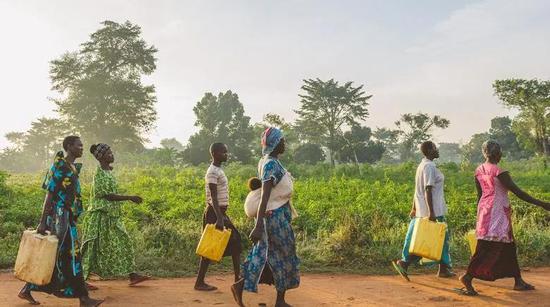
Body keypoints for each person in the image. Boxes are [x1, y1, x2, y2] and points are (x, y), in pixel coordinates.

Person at [18, 136, 103, 307]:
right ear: (69, 146)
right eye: (79, 145)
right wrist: (42, 222)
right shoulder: (60, 166)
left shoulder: (71, 167)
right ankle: (83, 298)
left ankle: (27, 289)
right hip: (59, 218)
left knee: (58, 256)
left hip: (66, 217)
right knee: (72, 256)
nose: (82, 148)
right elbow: (49, 194)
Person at [457, 140, 550, 296]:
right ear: (497, 153)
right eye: (500, 151)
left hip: (486, 211)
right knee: (488, 247)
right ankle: (468, 276)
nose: (501, 154)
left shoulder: (479, 170)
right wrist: (542, 204)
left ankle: (518, 281)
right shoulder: (500, 172)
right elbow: (518, 192)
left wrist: (480, 213)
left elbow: (479, 195)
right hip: (497, 213)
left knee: (507, 245)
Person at [232, 127, 300, 307]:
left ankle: (274, 298)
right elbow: (265, 195)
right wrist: (259, 225)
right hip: (273, 219)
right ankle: (277, 300)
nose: (284, 143)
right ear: (275, 143)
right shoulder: (270, 164)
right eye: (282, 141)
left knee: (269, 256)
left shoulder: (270, 161)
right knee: (279, 255)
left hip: (277, 216)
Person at [81, 143, 150, 288]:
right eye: (109, 153)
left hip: (111, 216)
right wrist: (130, 197)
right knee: (91, 248)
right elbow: (109, 196)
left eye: (111, 152)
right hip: (100, 216)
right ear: (101, 157)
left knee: (124, 241)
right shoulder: (99, 173)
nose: (112, 155)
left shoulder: (108, 172)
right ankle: (81, 281)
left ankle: (132, 275)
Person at [392, 141, 455, 281]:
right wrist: (431, 213)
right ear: (429, 150)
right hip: (432, 211)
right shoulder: (429, 166)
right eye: (434, 147)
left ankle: (443, 269)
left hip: (422, 210)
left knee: (434, 240)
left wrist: (414, 208)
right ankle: (405, 263)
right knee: (430, 241)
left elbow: (417, 189)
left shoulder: (422, 165)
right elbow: (427, 189)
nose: (437, 149)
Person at [194, 143, 242, 291]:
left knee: (234, 243)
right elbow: (213, 197)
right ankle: (200, 283)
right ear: (214, 153)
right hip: (215, 213)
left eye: (226, 152)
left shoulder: (218, 170)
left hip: (219, 213)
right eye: (223, 152)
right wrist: (220, 218)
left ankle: (237, 278)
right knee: (210, 247)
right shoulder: (212, 172)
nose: (226, 155)